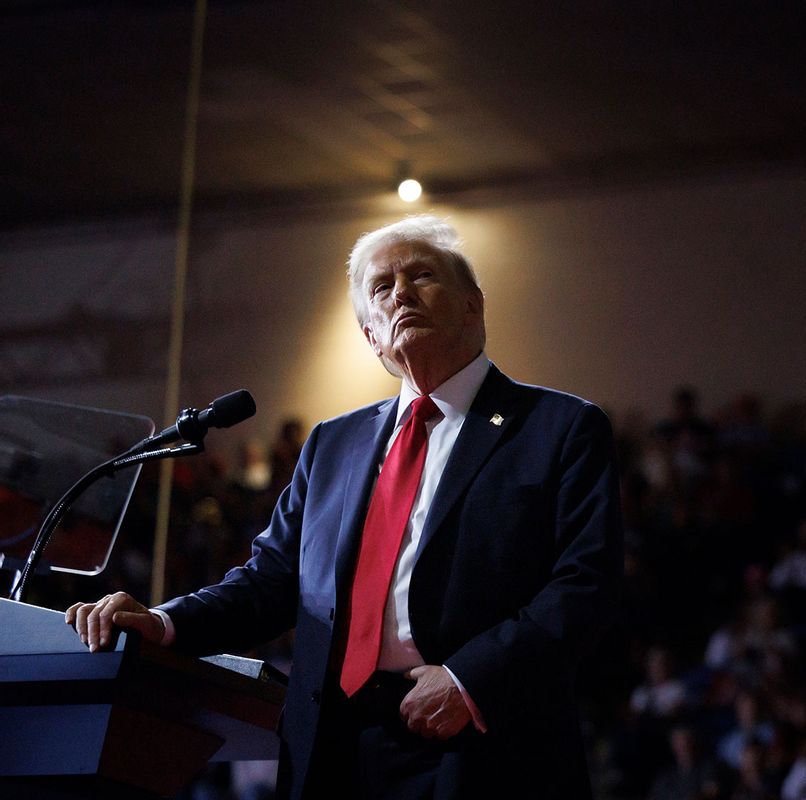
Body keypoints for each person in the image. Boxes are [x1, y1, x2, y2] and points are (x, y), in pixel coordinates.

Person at [66, 215, 623, 799]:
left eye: (423, 275)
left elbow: (585, 585)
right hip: (334, 746)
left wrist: (467, 681)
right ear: (370, 336)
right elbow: (271, 582)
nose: (401, 293)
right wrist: (163, 621)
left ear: (472, 305)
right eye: (382, 287)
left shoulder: (559, 427)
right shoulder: (333, 443)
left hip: (483, 743)